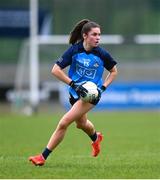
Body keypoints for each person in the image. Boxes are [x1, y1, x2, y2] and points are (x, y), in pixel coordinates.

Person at [29, 19, 118, 166]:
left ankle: (42, 157)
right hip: (75, 93)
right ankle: (96, 138)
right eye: (94, 34)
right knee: (81, 124)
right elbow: (55, 70)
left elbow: (114, 72)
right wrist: (73, 84)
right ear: (85, 35)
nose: (98, 38)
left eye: (99, 35)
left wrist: (101, 88)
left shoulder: (102, 54)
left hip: (91, 96)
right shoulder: (74, 50)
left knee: (64, 123)